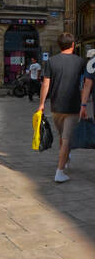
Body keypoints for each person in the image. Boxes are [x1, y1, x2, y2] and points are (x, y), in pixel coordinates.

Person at [41, 36, 89, 185]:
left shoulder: (51, 61)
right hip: (73, 106)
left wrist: (41, 104)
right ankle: (59, 172)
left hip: (56, 107)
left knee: (63, 136)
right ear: (73, 45)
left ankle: (66, 158)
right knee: (67, 140)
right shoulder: (81, 62)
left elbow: (45, 85)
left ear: (59, 45)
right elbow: (87, 83)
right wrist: (84, 105)